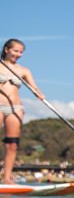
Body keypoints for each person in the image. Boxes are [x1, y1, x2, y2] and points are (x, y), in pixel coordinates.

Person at [0, 39, 43, 184]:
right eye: (15, 51)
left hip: (15, 108)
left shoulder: (24, 70)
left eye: (21, 52)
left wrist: (38, 93)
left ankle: (6, 178)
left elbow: (34, 87)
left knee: (12, 144)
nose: (18, 54)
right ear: (6, 50)